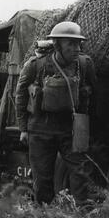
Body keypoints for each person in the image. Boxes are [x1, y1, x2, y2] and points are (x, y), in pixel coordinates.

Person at [15, 21, 97, 206]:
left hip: (72, 128)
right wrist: (23, 129)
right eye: (71, 44)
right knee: (42, 178)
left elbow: (94, 95)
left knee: (80, 172)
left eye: (78, 44)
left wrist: (89, 127)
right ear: (58, 44)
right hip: (40, 129)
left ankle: (82, 213)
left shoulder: (85, 65)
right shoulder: (36, 65)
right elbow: (20, 95)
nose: (76, 49)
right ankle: (44, 217)